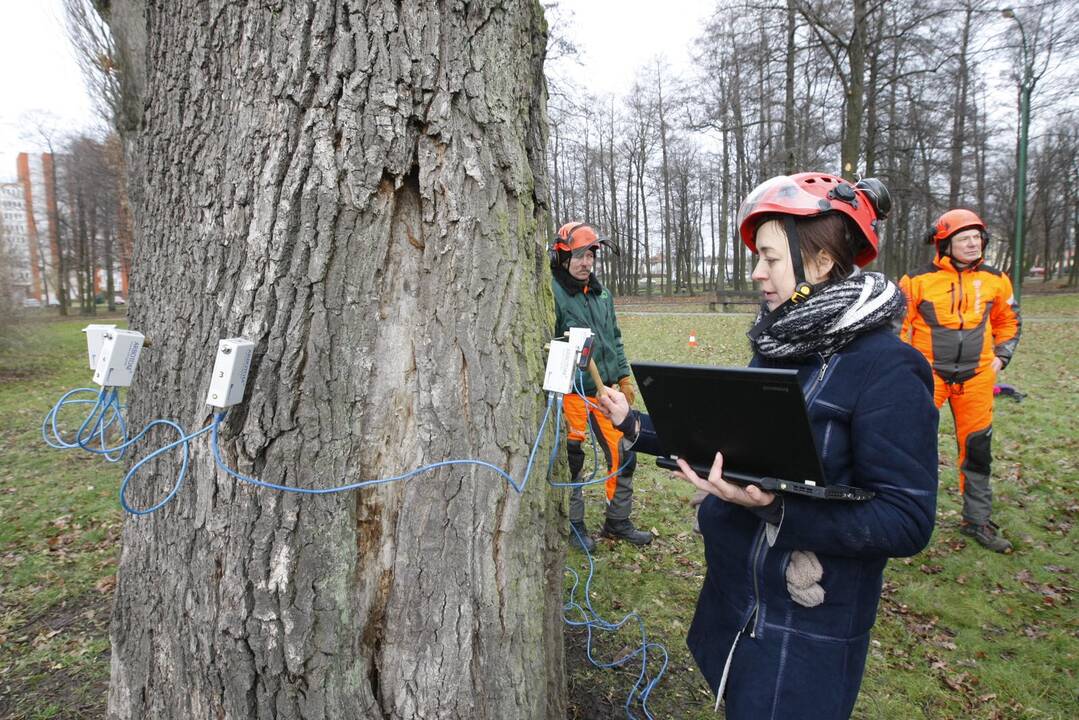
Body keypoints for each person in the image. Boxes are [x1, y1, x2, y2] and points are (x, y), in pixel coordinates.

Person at [597, 173, 939, 719]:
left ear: (822, 261)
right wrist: (635, 426)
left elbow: (907, 518)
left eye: (770, 259)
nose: (756, 272)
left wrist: (779, 509)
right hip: (736, 607)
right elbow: (741, 450)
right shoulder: (782, 345)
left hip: (803, 628)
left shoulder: (889, 368)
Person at [899, 209, 1021, 553]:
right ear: (944, 242)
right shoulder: (917, 280)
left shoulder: (997, 279)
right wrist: (903, 368)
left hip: (978, 377)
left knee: (978, 450)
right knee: (909, 444)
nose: (972, 243)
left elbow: (1009, 321)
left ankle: (977, 519)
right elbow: (896, 328)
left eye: (977, 237)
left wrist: (1002, 356)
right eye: (964, 237)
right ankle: (903, 514)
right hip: (929, 376)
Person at [551, 221, 652, 551]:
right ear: (563, 256)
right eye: (579, 256)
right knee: (573, 458)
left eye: (591, 255)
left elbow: (615, 339)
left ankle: (618, 520)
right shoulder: (552, 291)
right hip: (572, 392)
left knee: (625, 452)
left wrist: (623, 377)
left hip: (606, 390)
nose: (586, 263)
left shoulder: (601, 294)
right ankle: (574, 523)